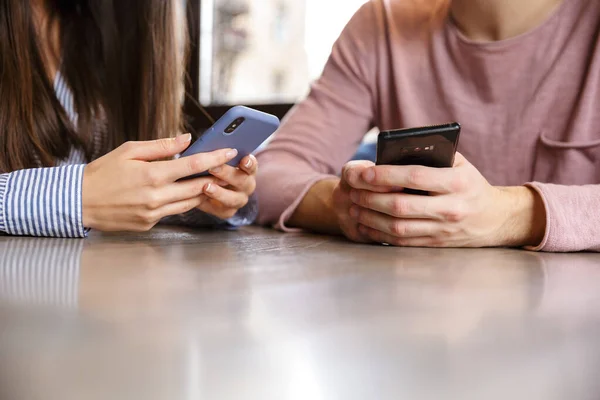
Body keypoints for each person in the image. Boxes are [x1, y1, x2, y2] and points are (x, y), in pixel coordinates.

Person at [256, 0, 600, 253]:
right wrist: (357, 209)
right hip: (420, 320)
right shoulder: (383, 23)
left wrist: (509, 215)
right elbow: (269, 175)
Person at [0, 0, 258, 238]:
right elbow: (92, 199)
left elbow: (115, 199)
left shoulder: (98, 32)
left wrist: (198, 197)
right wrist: (77, 197)